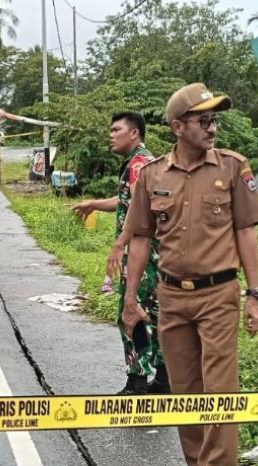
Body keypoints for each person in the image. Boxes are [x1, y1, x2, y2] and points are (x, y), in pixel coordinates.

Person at [121, 83, 258, 466]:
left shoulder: (232, 167)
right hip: (171, 295)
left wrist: (255, 295)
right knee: (184, 389)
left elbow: (247, 233)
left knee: (219, 393)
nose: (212, 126)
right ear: (178, 126)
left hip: (219, 295)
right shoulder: (153, 176)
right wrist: (130, 299)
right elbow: (141, 238)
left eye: (214, 119)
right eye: (203, 119)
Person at [73, 111, 168, 395]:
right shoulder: (141, 162)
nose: (111, 135)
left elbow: (142, 211)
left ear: (134, 133)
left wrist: (119, 244)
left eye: (116, 130)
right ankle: (164, 381)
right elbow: (127, 201)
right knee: (154, 314)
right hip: (154, 255)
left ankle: (137, 384)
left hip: (143, 255)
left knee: (130, 313)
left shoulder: (139, 164)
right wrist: (94, 203)